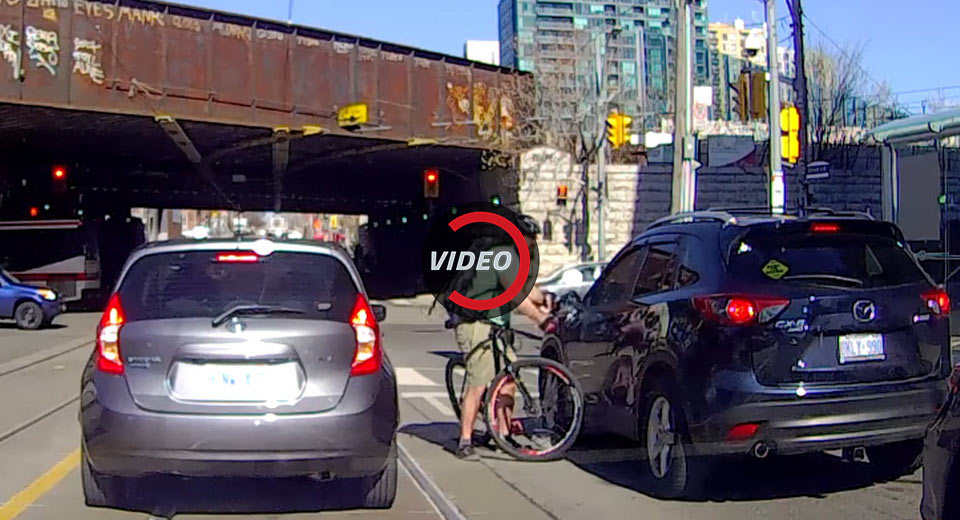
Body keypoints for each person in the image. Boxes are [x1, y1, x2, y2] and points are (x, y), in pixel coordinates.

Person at [451, 215, 555, 460]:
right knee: (479, 383)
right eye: (530, 240)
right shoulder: (503, 255)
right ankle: (464, 441)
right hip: (476, 324)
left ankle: (503, 435)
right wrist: (542, 321)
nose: (533, 245)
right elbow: (517, 297)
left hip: (495, 326)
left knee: (508, 379)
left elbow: (527, 290)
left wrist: (548, 299)